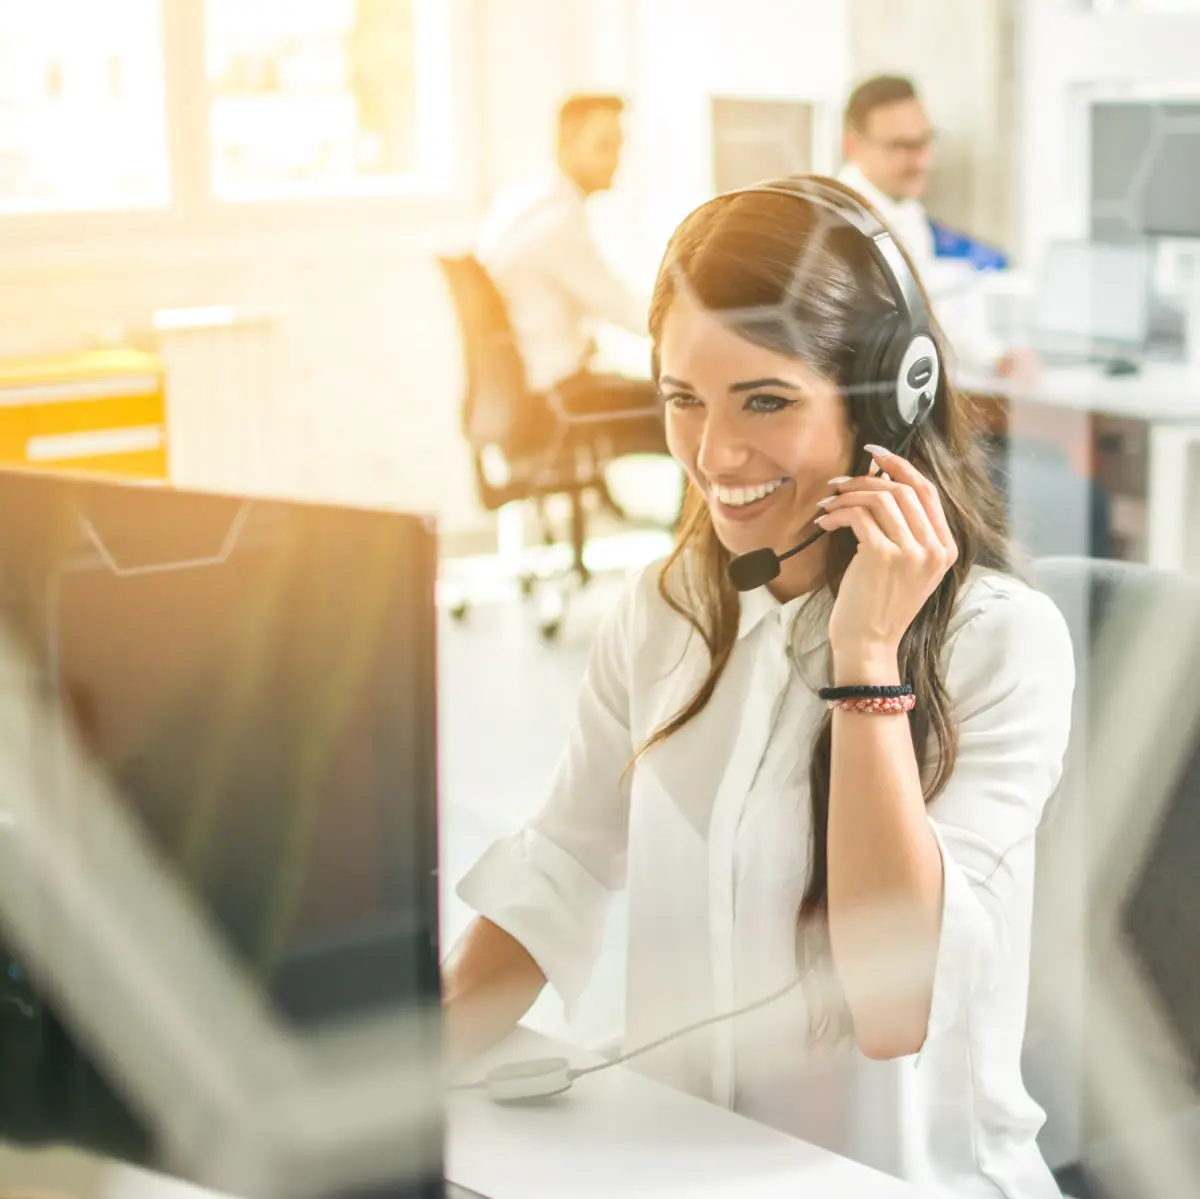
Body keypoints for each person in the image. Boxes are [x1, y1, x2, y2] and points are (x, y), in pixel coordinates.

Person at [443, 175, 1075, 1198]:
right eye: (683, 397)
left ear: (890, 396)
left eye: (765, 400)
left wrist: (867, 659)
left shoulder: (1001, 644)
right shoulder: (667, 607)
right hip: (686, 1164)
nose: (712, 452)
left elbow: (890, 1003)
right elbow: (559, 863)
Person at [477, 93, 663, 457]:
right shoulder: (555, 226)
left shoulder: (518, 201)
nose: (616, 161)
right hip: (556, 401)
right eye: (603, 146)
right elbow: (635, 316)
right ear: (566, 145)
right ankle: (692, 517)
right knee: (686, 409)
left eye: (620, 147)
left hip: (520, 395)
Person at [838, 75, 1036, 382]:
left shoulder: (907, 214)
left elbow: (928, 311)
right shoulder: (838, 223)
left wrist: (995, 356)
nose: (921, 161)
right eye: (901, 146)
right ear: (851, 145)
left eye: (925, 141)